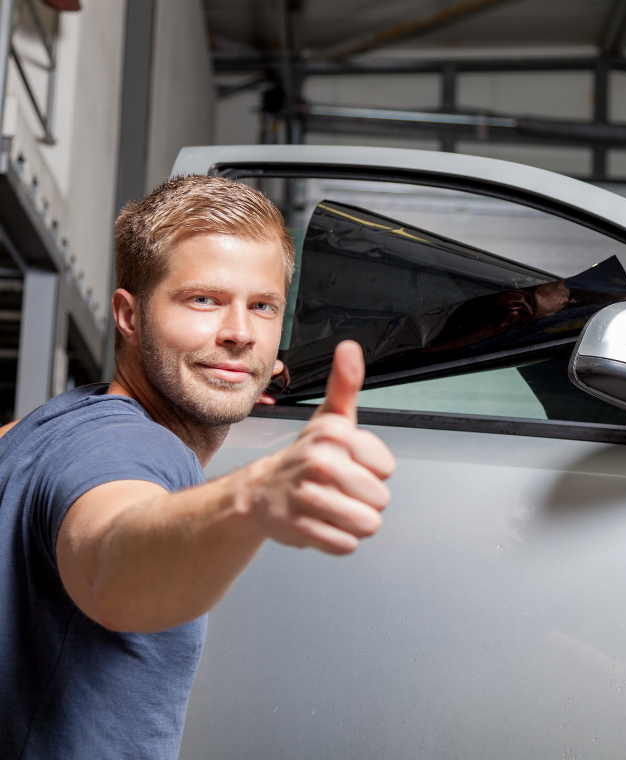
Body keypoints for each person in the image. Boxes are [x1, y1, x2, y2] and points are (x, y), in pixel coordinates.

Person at [0, 175, 395, 759]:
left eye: (262, 307)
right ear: (128, 316)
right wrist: (252, 498)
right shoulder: (137, 450)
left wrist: (224, 375)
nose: (239, 334)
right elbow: (112, 561)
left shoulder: (53, 421)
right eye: (203, 300)